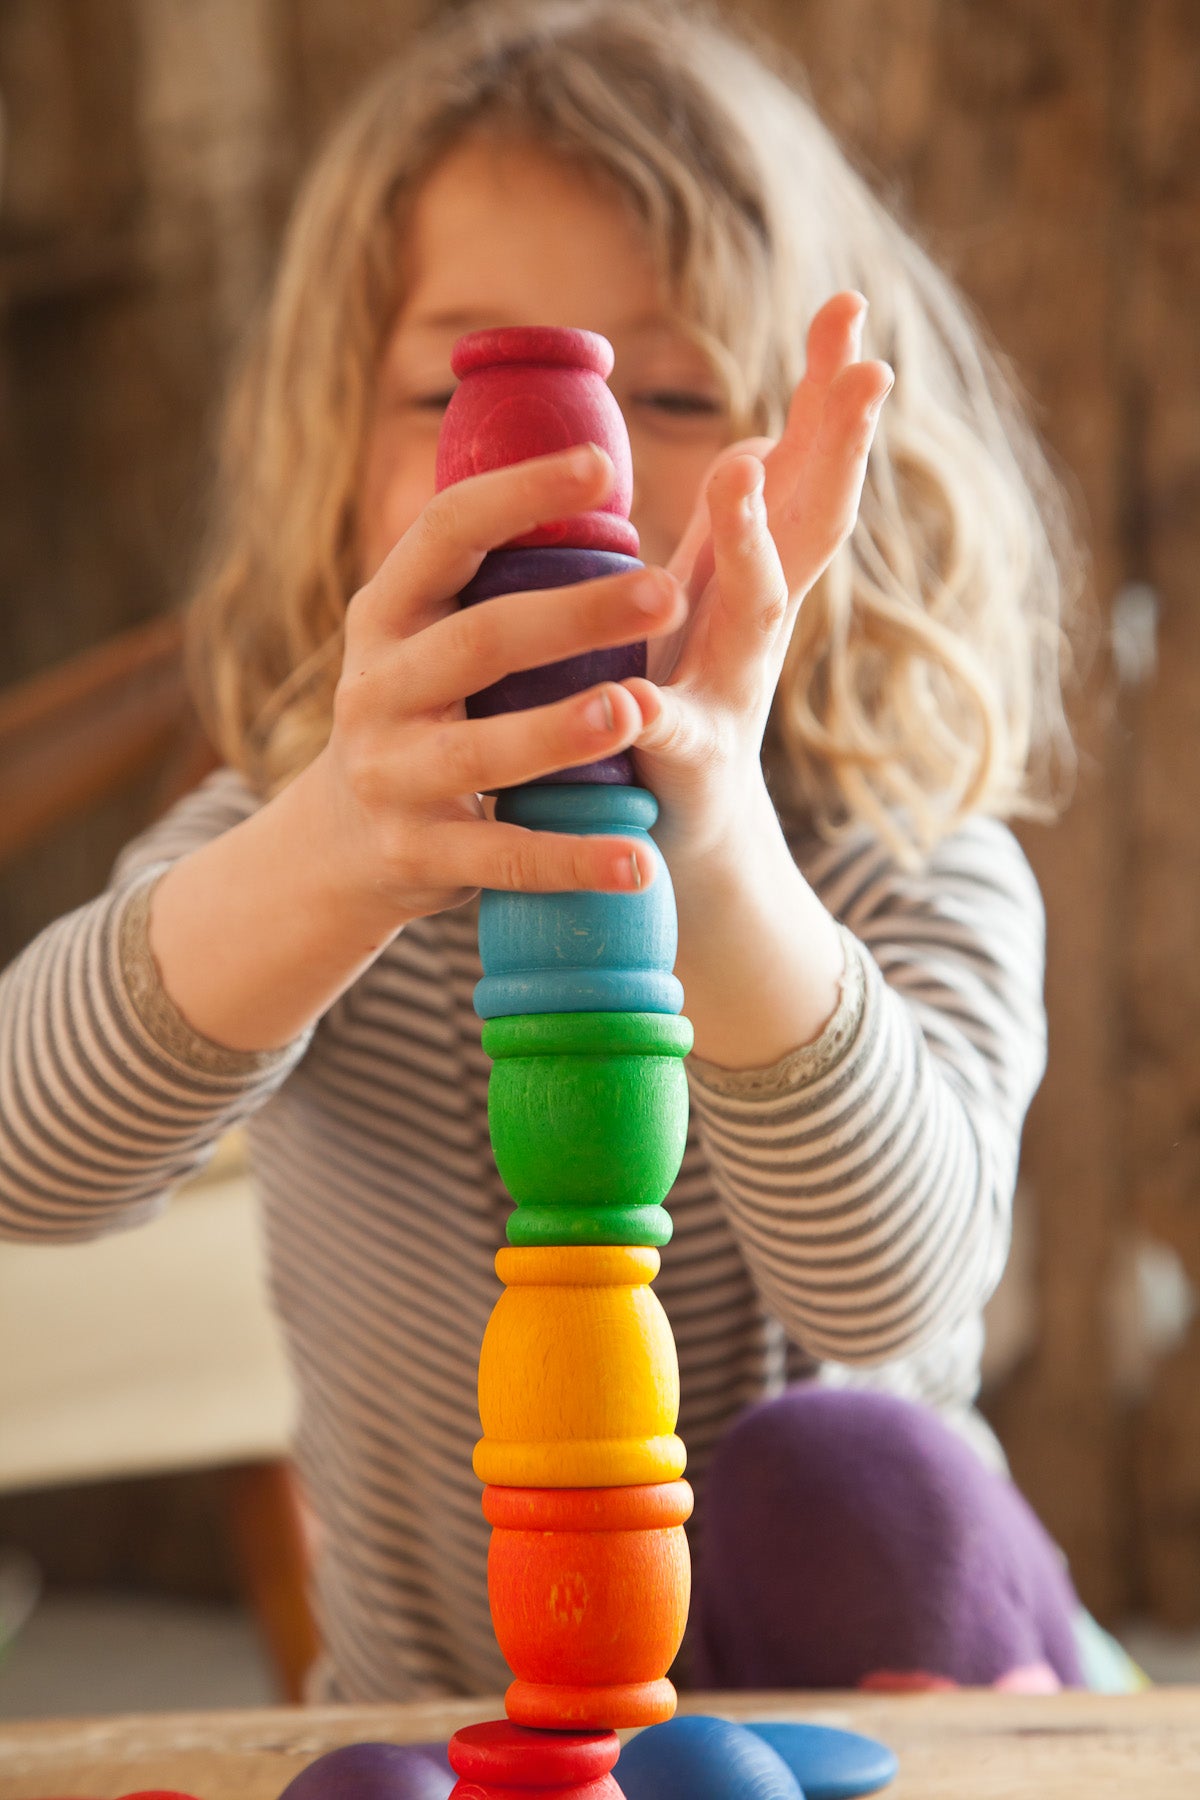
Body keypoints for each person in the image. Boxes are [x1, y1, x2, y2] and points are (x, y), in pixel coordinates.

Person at [0, 0, 1125, 1702]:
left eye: (666, 389)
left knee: (856, 1472)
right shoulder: (303, 844)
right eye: (472, 387)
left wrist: (721, 840)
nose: (571, 472)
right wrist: (333, 862)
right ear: (342, 473)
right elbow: (29, 1157)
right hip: (474, 1716)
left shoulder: (899, 850)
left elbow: (896, 1280)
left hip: (867, 1685)